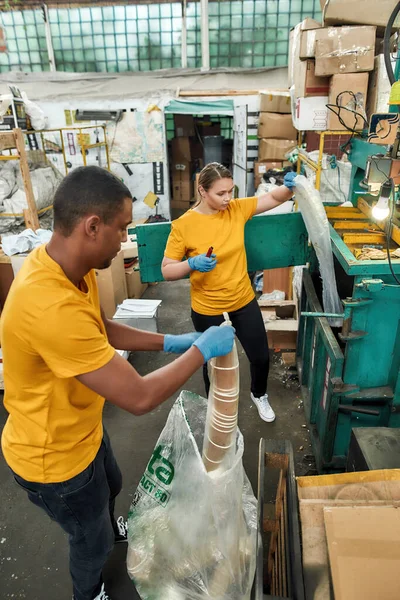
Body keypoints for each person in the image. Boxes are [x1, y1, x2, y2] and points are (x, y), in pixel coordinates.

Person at [0, 166, 235, 600]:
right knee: (90, 543)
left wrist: (174, 339)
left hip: (82, 430)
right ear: (92, 226)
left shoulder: (70, 264)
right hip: (54, 460)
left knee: (110, 482)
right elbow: (140, 397)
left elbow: (100, 328)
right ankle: (90, 592)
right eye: (123, 228)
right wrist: (200, 352)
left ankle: (108, 526)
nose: (126, 238)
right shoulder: (47, 303)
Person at [162, 162, 296, 423]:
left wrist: (290, 187)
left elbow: (271, 198)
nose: (227, 198)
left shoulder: (236, 209)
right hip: (206, 307)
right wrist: (191, 263)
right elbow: (167, 270)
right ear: (202, 191)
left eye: (230, 191)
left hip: (242, 300)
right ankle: (216, 408)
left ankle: (259, 394)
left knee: (259, 356)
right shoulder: (184, 225)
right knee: (212, 365)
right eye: (220, 193)